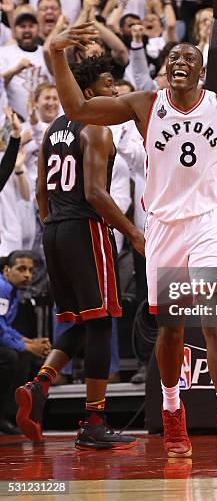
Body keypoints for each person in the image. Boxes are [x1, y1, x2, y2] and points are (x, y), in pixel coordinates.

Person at [48, 21, 217, 462]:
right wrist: (56, 55)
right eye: (173, 58)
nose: (179, 61)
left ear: (201, 72)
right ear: (164, 70)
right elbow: (79, 110)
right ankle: (172, 408)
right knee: (172, 329)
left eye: (188, 58)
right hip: (164, 227)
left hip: (209, 222)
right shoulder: (145, 104)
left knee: (213, 321)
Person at [15, 55, 144, 450]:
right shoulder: (97, 127)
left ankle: (40, 385)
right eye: (109, 84)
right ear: (89, 92)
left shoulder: (54, 128)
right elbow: (94, 193)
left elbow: (40, 190)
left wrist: (52, 223)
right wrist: (133, 234)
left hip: (53, 229)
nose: (116, 91)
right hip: (84, 228)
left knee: (83, 321)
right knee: (103, 322)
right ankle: (94, 421)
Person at [0, 251, 50, 435]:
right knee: (11, 357)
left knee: (21, 355)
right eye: (21, 269)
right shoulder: (2, 289)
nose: (27, 275)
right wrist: (28, 346)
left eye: (30, 270)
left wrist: (29, 342)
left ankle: (9, 416)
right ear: (6, 270)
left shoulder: (11, 291)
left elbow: (4, 327)